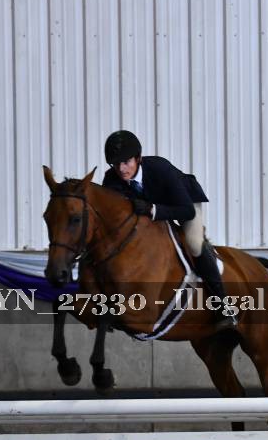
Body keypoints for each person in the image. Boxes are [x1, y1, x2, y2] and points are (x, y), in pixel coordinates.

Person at [101, 130, 237, 329]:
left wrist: (153, 209)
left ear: (138, 158)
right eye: (116, 164)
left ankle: (223, 306)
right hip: (151, 211)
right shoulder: (111, 180)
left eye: (126, 162)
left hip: (184, 202)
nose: (121, 169)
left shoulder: (160, 168)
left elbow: (187, 211)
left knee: (194, 243)